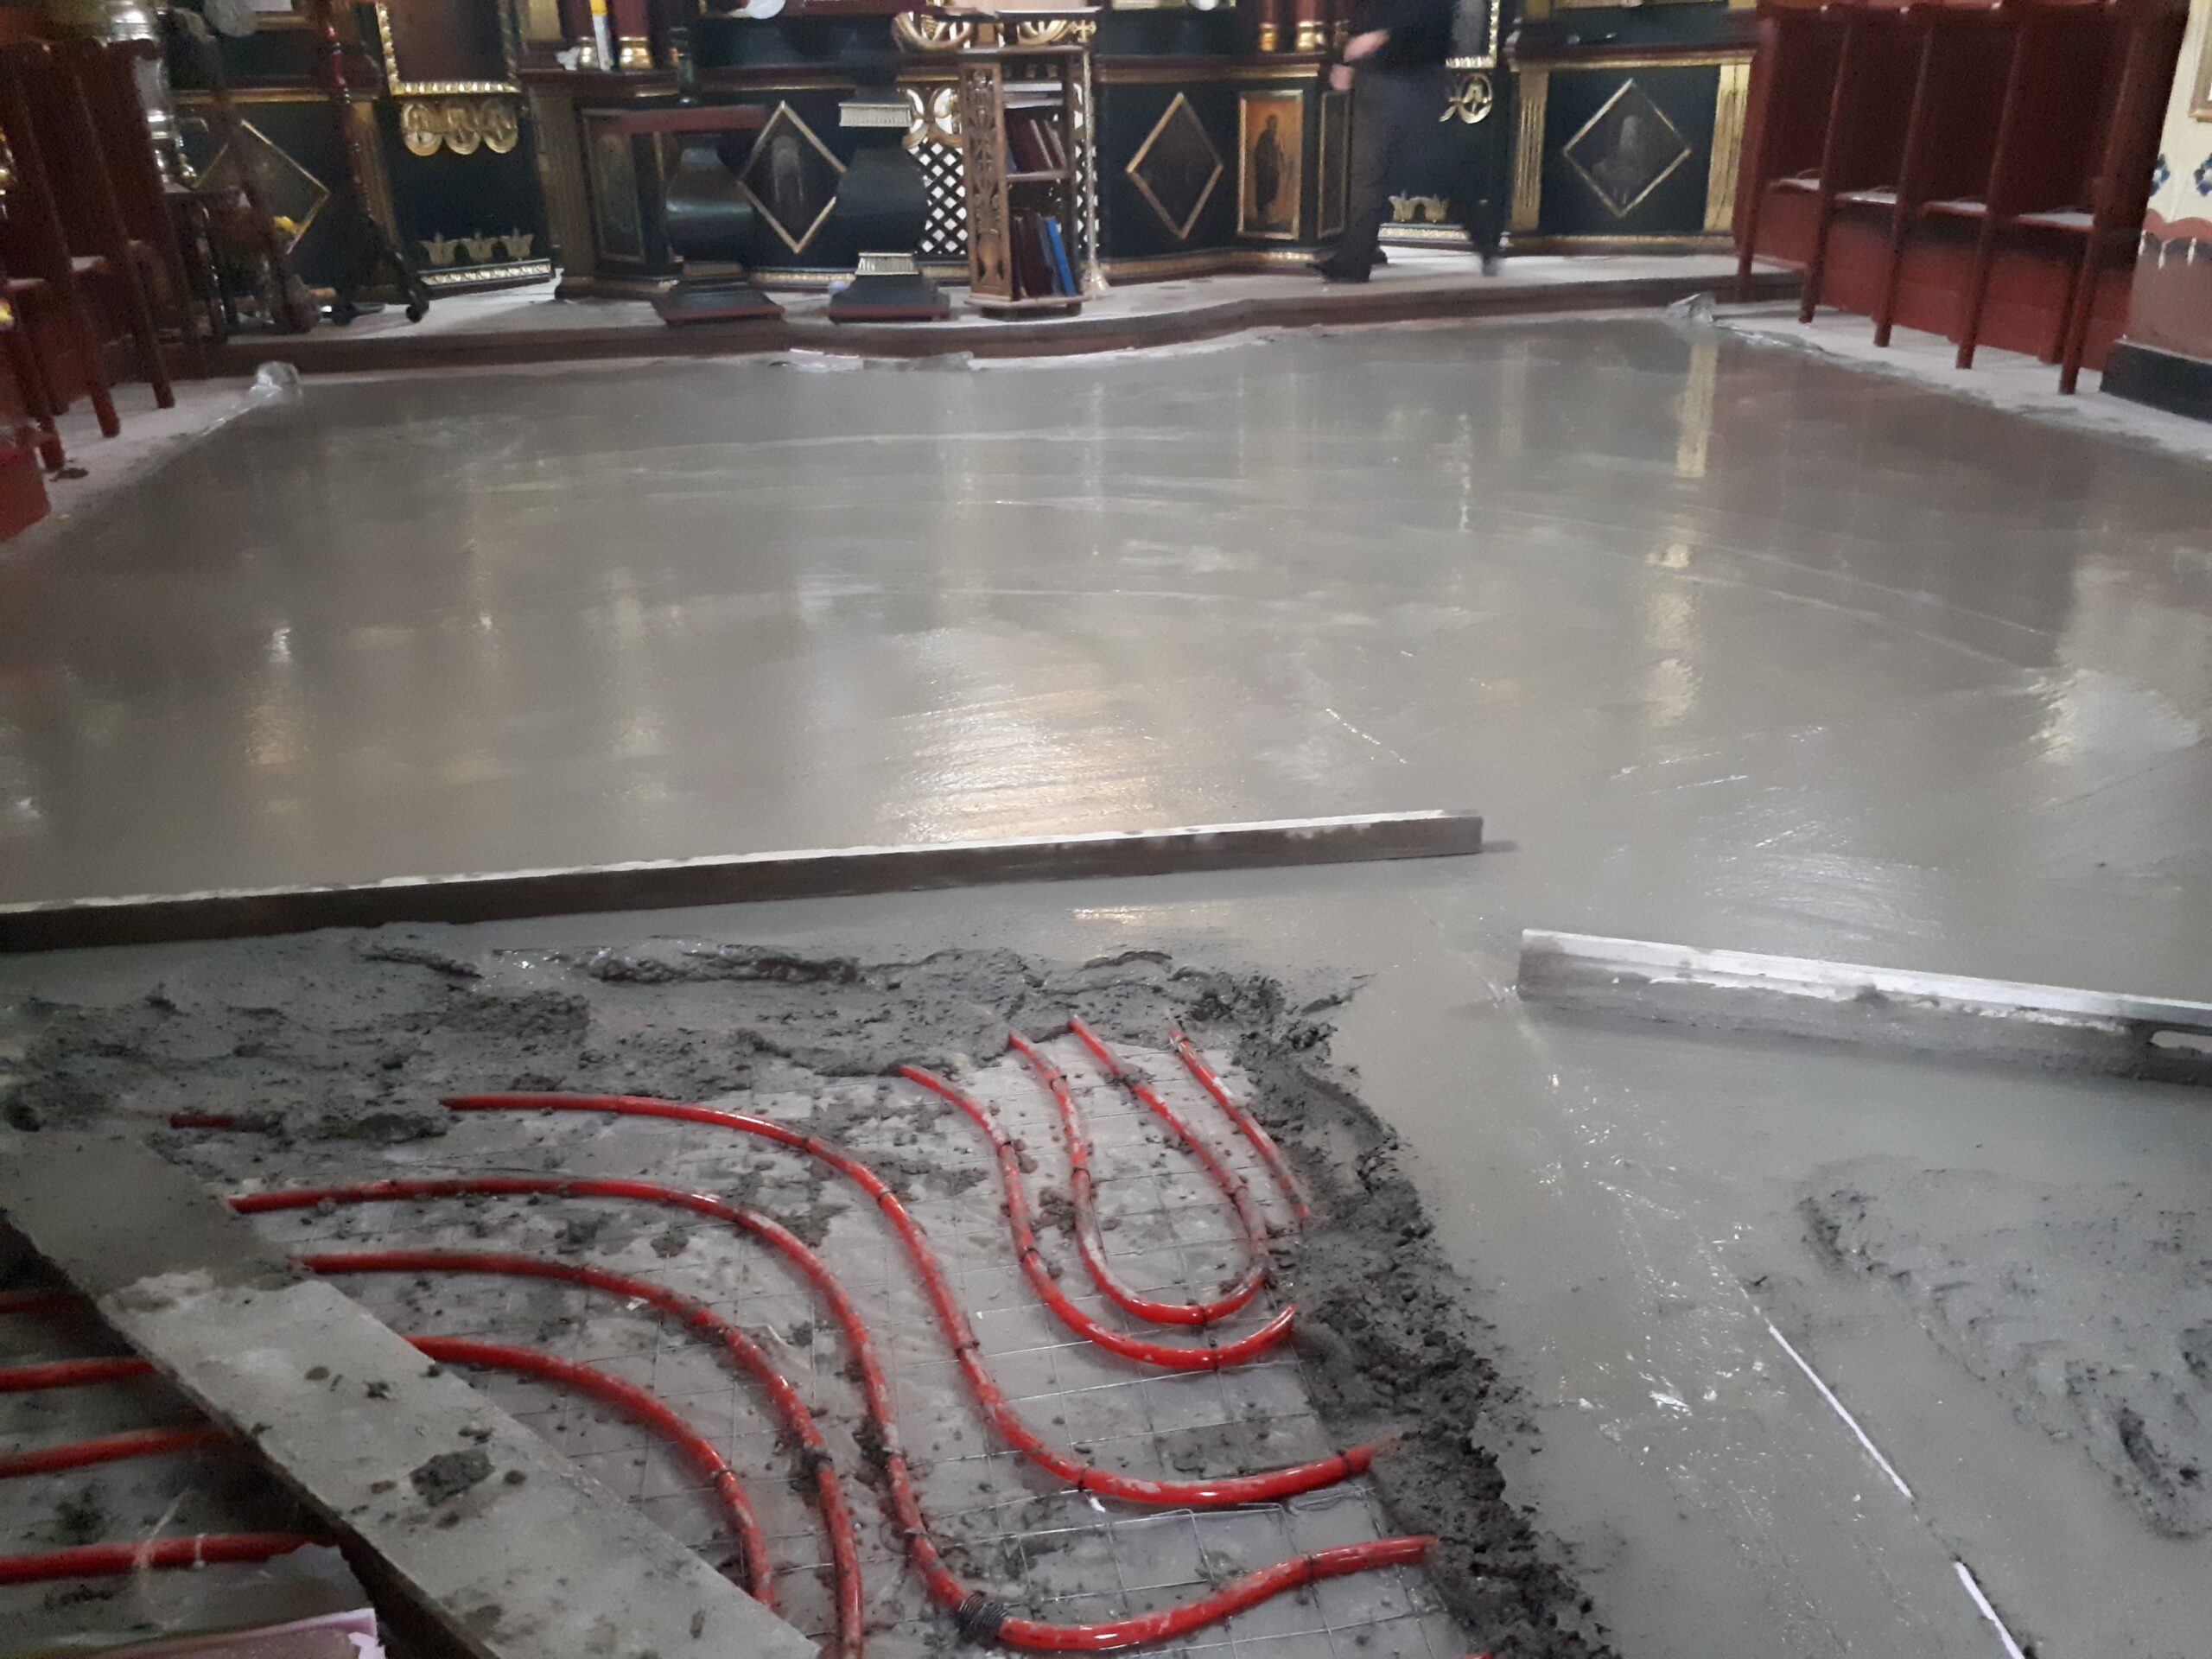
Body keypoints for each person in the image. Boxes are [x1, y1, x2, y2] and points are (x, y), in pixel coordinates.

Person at [1314, 0, 1500, 283]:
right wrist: (1348, 60)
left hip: (1416, 81)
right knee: (1367, 175)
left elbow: (1428, 19)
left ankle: (1484, 237)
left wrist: (1383, 37)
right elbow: (1369, 17)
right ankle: (1354, 261)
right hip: (1377, 80)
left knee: (1436, 172)